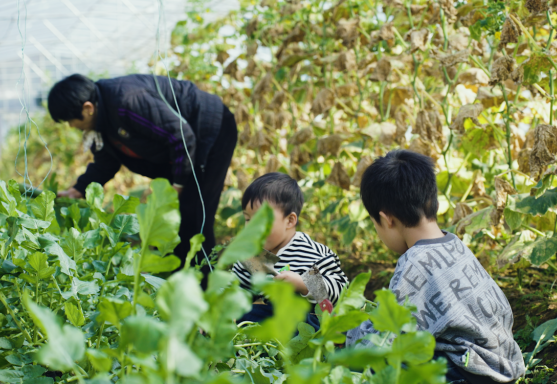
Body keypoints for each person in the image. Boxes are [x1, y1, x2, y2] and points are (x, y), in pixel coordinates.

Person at [346, 150, 525, 384]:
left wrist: (349, 336)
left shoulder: (416, 263)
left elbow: (383, 341)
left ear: (387, 219)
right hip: (502, 363)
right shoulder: (453, 244)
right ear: (432, 200)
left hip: (471, 374)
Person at [47, 74, 237, 275]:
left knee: (194, 215)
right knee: (171, 220)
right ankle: (175, 283)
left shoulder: (126, 101)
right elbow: (106, 161)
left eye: (70, 120)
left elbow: (181, 135)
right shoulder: (101, 120)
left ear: (88, 108)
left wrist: (178, 186)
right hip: (183, 150)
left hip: (209, 131)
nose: (71, 126)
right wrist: (78, 189)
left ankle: (203, 289)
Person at [232, 172, 349, 329]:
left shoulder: (311, 254)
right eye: (248, 219)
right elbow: (236, 287)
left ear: (289, 220)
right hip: (274, 315)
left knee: (308, 321)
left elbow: (340, 290)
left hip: (308, 319)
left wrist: (304, 284)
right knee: (247, 315)